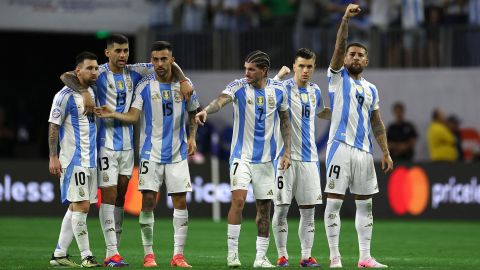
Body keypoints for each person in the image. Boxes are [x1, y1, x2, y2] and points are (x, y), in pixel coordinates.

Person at [60, 34, 193, 267]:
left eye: (126, 51)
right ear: (107, 53)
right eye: (118, 51)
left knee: (121, 196)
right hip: (106, 145)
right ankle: (111, 252)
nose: (123, 55)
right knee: (109, 196)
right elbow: (66, 76)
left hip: (129, 146)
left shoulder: (136, 71)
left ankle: (115, 249)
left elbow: (168, 62)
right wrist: (83, 92)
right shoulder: (98, 72)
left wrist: (182, 79)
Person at [95, 41, 199, 268]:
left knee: (180, 201)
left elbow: (193, 112)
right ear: (150, 61)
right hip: (149, 153)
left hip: (178, 153)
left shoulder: (186, 86)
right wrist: (113, 113)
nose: (159, 64)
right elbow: (133, 117)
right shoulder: (143, 85)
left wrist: (192, 137)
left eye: (164, 59)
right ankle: (148, 255)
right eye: (155, 59)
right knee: (148, 201)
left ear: (172, 60)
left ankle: (178, 255)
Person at [195, 50, 292, 268]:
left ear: (264, 71)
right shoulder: (238, 86)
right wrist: (206, 111)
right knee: (238, 201)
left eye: (251, 69)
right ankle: (232, 255)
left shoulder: (278, 91)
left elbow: (285, 122)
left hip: (267, 160)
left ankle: (260, 257)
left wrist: (287, 152)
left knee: (264, 209)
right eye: (245, 68)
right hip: (242, 157)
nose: (246, 73)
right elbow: (221, 100)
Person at [323, 4, 393, 268]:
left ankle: (365, 257)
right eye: (351, 53)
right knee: (334, 204)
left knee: (366, 206)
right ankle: (335, 257)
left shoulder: (372, 89)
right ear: (344, 58)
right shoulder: (337, 78)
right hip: (340, 147)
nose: (354, 57)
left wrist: (384, 151)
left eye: (359, 55)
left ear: (366, 61)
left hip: (364, 152)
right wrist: (345, 20)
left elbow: (376, 121)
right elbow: (339, 46)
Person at [271, 48, 331, 267]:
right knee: (281, 208)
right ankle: (282, 254)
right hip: (284, 158)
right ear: (294, 66)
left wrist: (342, 112)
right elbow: (266, 93)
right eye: (301, 66)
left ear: (314, 68)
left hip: (310, 160)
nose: (305, 71)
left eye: (309, 67)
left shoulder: (315, 91)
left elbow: (321, 111)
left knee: (309, 210)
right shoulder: (283, 88)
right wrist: (278, 76)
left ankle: (306, 256)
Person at [48, 51, 101, 268]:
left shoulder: (92, 91)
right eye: (90, 68)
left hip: (90, 159)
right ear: (77, 71)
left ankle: (59, 254)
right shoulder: (64, 96)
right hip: (73, 159)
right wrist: (53, 156)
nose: (95, 71)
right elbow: (53, 126)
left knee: (78, 206)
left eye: (96, 68)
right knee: (81, 206)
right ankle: (86, 256)